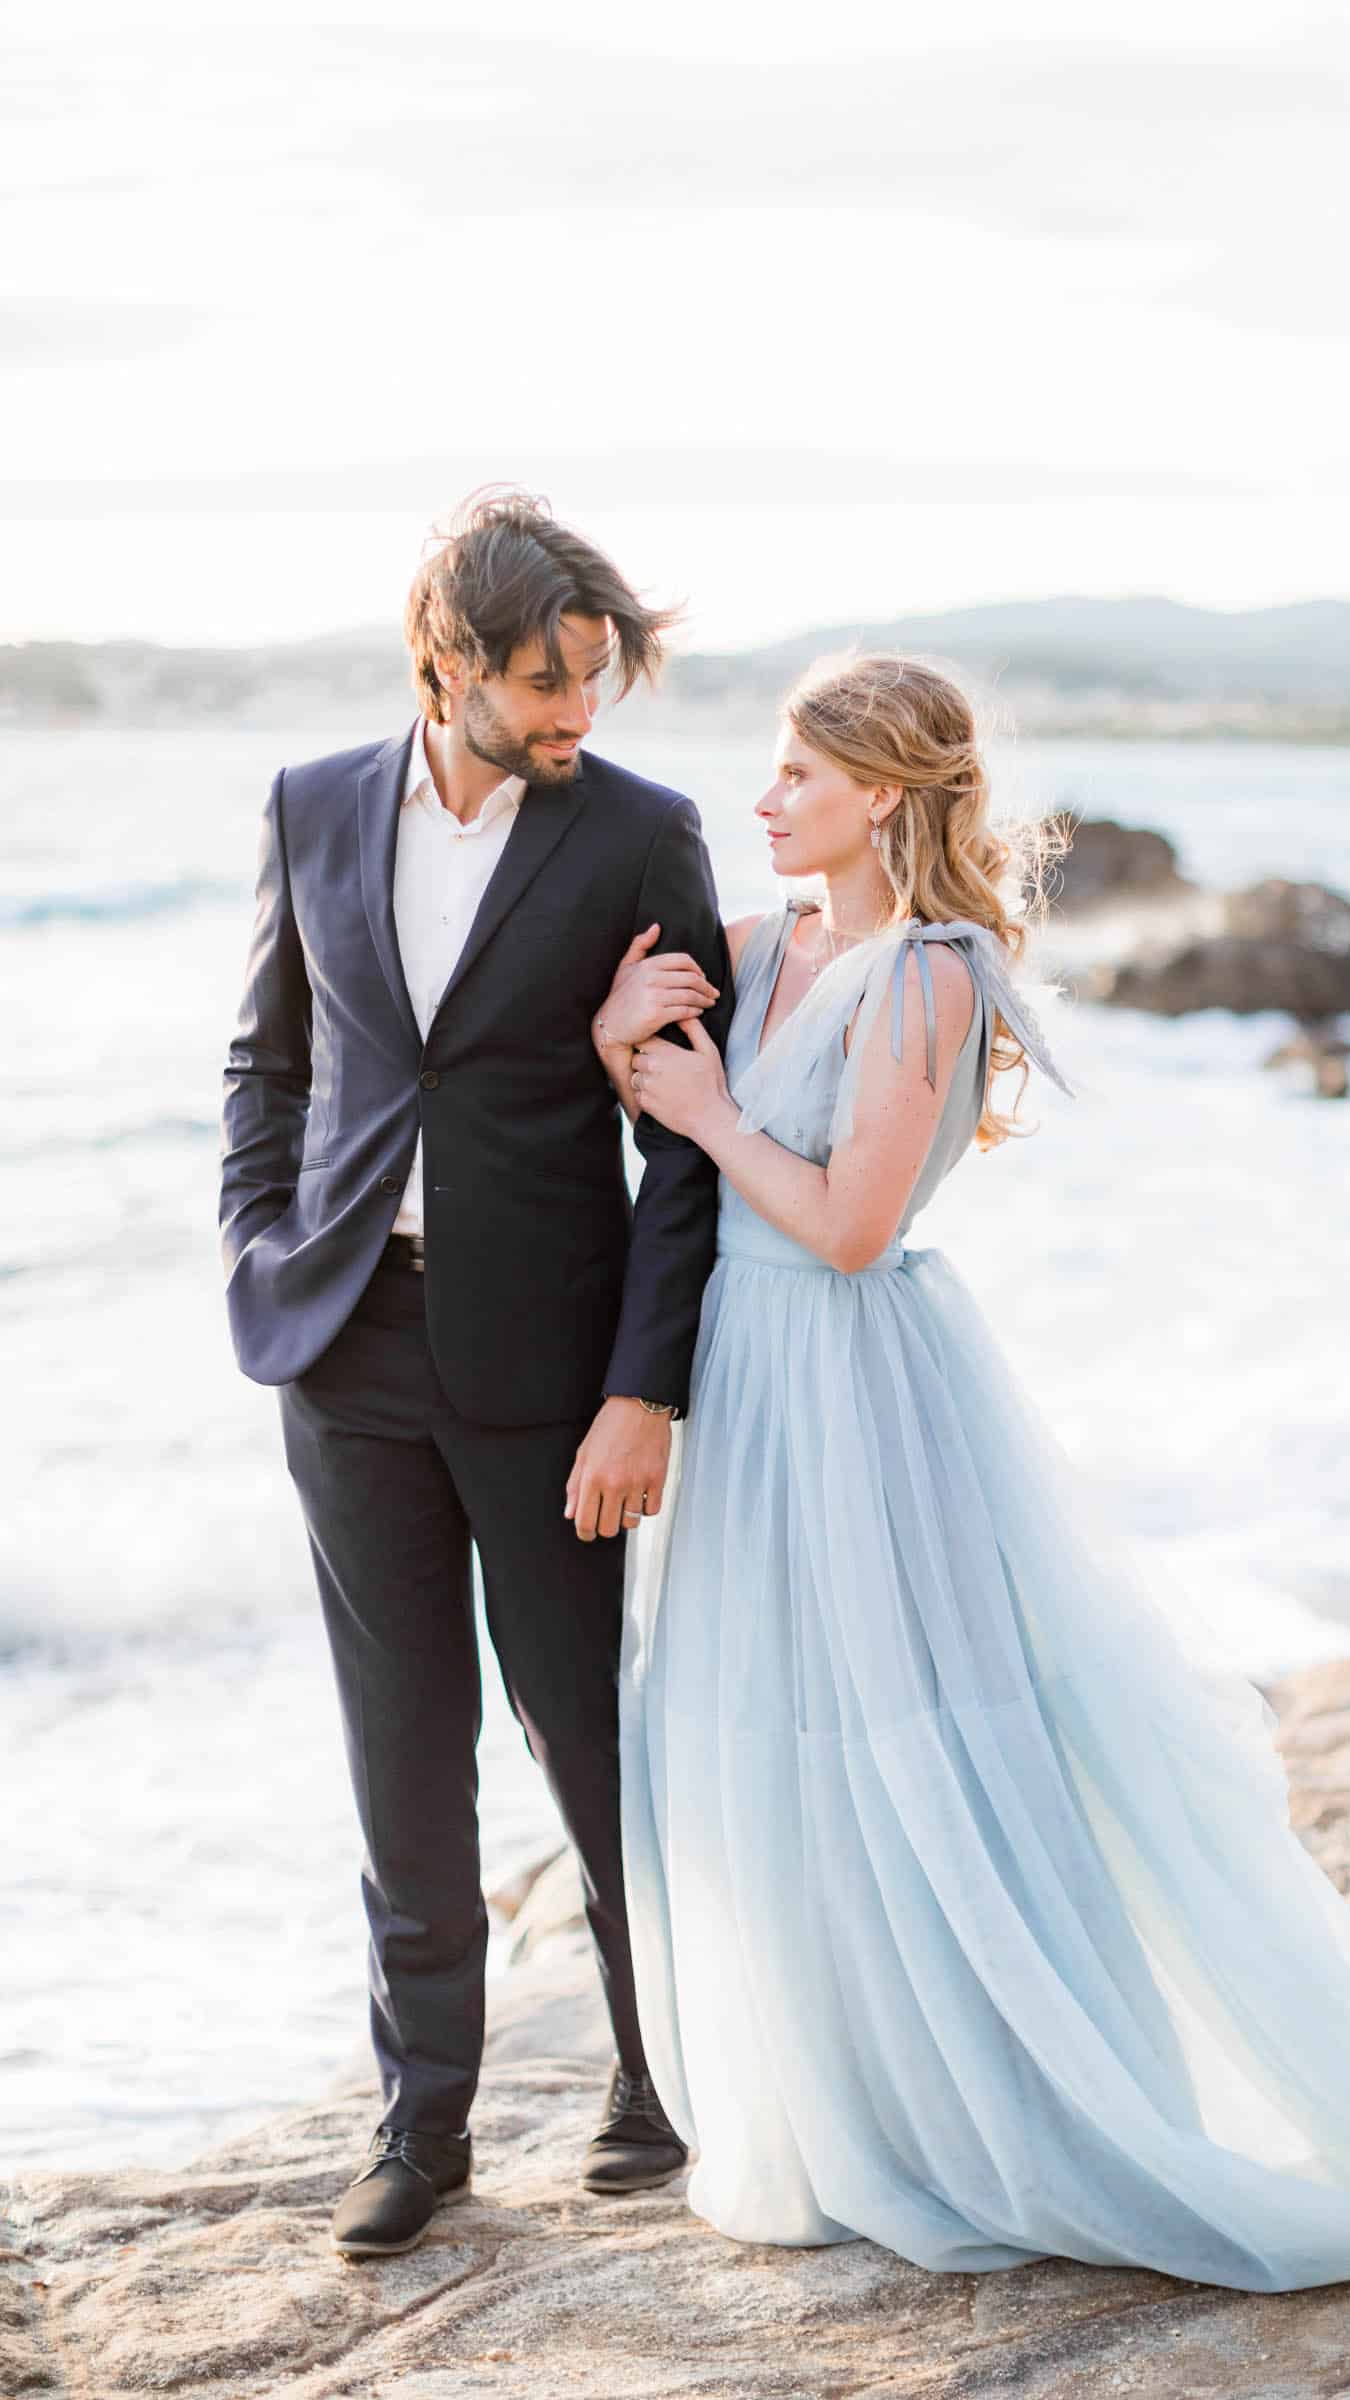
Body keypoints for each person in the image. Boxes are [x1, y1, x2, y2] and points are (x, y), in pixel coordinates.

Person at [591, 652, 1350, 2291]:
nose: (762, 798)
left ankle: (1007, 2114)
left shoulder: (930, 972)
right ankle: (848, 2107)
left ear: (885, 794)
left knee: (912, 1741)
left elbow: (848, 1225)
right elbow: (669, 1124)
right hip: (748, 1391)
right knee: (767, 1736)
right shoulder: (761, 948)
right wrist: (616, 1039)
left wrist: (701, 1109)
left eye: (795, 773)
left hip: (857, 1393)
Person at [219, 488, 731, 2259]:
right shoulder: (310, 807)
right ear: (445, 663)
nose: (578, 711)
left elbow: (688, 1142)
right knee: (401, 1748)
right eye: (544, 681)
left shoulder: (644, 835)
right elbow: (267, 1066)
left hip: (554, 1371)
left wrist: (644, 1387)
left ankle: (661, 2081)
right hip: (346, 1345)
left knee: (587, 1733)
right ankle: (421, 2125)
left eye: (594, 676)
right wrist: (255, 1251)